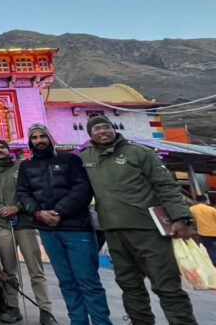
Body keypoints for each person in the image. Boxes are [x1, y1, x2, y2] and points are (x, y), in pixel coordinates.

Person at [81, 115, 197, 325]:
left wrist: (180, 216)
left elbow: (165, 185)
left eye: (106, 127)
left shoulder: (139, 152)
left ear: (113, 128)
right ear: (90, 134)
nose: (102, 131)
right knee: (129, 285)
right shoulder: (85, 157)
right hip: (113, 231)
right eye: (96, 129)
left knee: (166, 284)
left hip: (147, 229)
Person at [17, 123, 111, 325]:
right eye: (35, 138)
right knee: (67, 282)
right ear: (30, 142)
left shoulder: (70, 160)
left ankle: (101, 322)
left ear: (50, 138)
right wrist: (38, 212)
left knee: (88, 281)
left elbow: (82, 189)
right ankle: (78, 321)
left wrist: (59, 211)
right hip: (48, 230)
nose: (39, 141)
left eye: (42, 136)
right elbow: (23, 193)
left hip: (76, 228)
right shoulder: (26, 166)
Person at [0, 139, 57, 325]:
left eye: (2, 147)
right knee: (9, 270)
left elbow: (33, 191)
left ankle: (46, 310)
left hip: (25, 224)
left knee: (36, 270)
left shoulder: (22, 167)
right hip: (1, 224)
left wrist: (17, 207)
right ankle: (12, 306)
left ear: (8, 150)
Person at [191, 196, 216, 265]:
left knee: (210, 248)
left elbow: (190, 220)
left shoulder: (192, 209)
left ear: (196, 201)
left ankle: (214, 263)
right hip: (215, 231)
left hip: (203, 233)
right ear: (205, 201)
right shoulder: (211, 209)